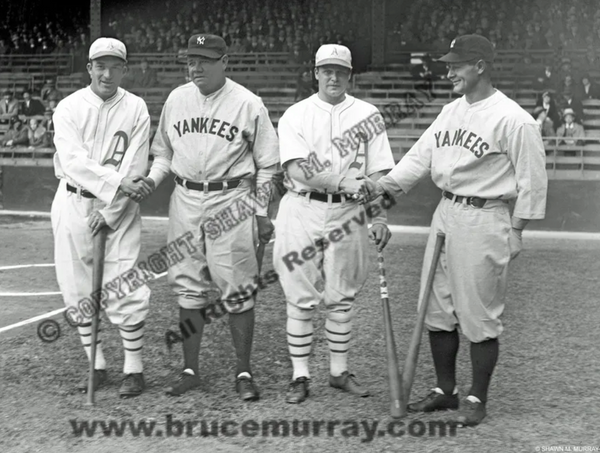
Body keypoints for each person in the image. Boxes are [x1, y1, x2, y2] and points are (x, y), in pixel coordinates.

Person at [364, 34, 548, 427]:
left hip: (485, 215)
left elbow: (533, 181)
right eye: (447, 64)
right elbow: (419, 157)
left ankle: (476, 396)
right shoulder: (450, 111)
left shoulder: (513, 118)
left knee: (479, 313)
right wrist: (386, 185)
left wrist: (517, 230)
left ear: (480, 65)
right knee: (435, 307)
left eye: (456, 65)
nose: (448, 71)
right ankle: (446, 391)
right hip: (446, 209)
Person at [141, 34, 280, 401]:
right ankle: (190, 371)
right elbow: (163, 154)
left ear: (225, 61)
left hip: (232, 198)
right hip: (185, 197)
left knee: (238, 286)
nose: (195, 67)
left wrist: (262, 211)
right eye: (190, 60)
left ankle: (244, 371)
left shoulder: (248, 103)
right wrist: (152, 180)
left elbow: (268, 165)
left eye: (204, 59)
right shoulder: (176, 98)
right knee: (187, 283)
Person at [274, 44, 396, 404]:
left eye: (340, 71)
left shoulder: (368, 114)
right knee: (300, 295)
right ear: (315, 73)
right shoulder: (296, 114)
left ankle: (339, 372)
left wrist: (380, 215)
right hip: (302, 207)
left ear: (350, 74)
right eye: (326, 70)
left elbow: (378, 171)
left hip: (349, 212)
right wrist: (341, 181)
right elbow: (298, 168)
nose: (333, 77)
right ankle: (300, 376)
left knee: (342, 296)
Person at [50, 37, 154, 398]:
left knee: (125, 283)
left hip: (120, 206)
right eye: (100, 65)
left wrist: (111, 210)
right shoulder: (68, 107)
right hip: (73, 201)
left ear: (125, 68)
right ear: (90, 67)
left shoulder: (137, 107)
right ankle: (96, 365)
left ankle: (133, 369)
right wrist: (115, 187)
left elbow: (136, 165)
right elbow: (73, 161)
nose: (107, 73)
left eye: (115, 66)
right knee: (77, 287)